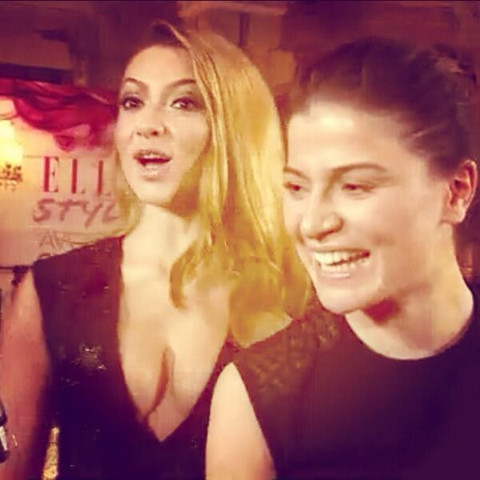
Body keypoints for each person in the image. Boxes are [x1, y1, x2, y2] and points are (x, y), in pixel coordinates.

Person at [0, 22, 306, 479]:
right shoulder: (53, 288)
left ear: (234, 129)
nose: (147, 125)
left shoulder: (289, 296)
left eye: (184, 103)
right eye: (132, 101)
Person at [207, 37, 480, 479]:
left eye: (355, 186)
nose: (313, 223)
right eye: (296, 188)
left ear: (456, 192)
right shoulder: (257, 399)